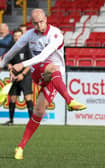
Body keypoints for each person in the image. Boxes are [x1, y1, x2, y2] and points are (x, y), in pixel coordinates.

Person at [0, 8, 87, 160]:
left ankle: (20, 147)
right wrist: (3, 62)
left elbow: (44, 55)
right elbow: (14, 50)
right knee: (53, 68)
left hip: (55, 76)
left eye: (41, 22)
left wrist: (22, 64)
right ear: (32, 23)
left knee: (39, 111)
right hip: (38, 73)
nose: (39, 25)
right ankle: (69, 100)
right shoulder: (30, 34)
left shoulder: (56, 35)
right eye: (35, 23)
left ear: (46, 19)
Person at [3, 28, 33, 126]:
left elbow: (31, 63)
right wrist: (10, 70)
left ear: (22, 36)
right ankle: (11, 121)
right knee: (12, 98)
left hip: (25, 75)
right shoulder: (11, 47)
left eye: (19, 36)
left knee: (28, 97)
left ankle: (32, 122)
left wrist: (23, 74)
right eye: (15, 36)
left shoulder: (26, 46)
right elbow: (7, 60)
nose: (17, 38)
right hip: (14, 76)